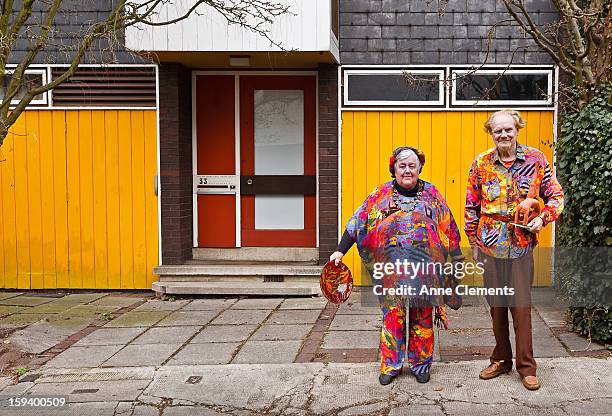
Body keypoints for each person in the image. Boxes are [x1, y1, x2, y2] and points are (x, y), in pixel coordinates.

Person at [330, 146, 463, 386]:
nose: (408, 170)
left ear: (420, 167)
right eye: (402, 166)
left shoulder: (432, 194)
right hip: (391, 274)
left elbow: (448, 227)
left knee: (422, 319)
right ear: (394, 168)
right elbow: (356, 222)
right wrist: (340, 250)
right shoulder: (380, 194)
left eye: (412, 165)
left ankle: (421, 365)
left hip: (426, 274)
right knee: (393, 318)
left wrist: (457, 259)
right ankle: (390, 365)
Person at [465, 109, 564, 391]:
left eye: (509, 129)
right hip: (489, 245)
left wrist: (542, 218)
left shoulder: (536, 160)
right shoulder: (481, 163)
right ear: (491, 132)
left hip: (521, 246)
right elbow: (471, 205)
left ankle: (526, 367)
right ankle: (500, 359)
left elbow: (556, 196)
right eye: (498, 131)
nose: (504, 135)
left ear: (518, 129)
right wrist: (472, 242)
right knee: (497, 308)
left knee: (521, 308)